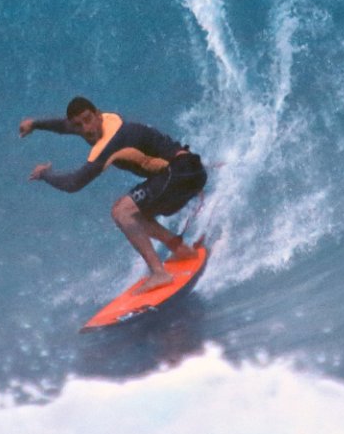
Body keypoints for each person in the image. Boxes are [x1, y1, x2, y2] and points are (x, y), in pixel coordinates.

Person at [20, 95, 208, 289]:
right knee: (131, 213)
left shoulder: (109, 143)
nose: (86, 129)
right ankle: (182, 250)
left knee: (122, 212)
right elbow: (65, 125)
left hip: (180, 173)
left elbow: (73, 184)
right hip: (188, 171)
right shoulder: (107, 121)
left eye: (88, 119)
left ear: (98, 115)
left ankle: (160, 274)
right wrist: (34, 124)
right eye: (79, 125)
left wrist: (45, 174)